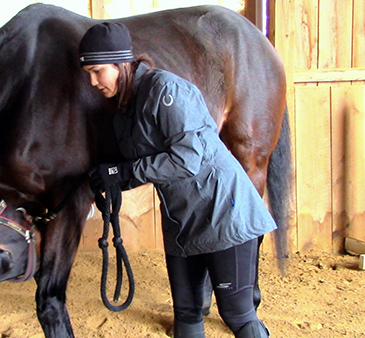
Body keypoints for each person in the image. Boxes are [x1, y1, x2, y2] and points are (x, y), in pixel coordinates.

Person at [79, 22, 276, 338]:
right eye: (88, 73)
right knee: (186, 315)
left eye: (98, 71)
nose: (92, 82)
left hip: (224, 211)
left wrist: (122, 173)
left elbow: (187, 160)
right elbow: (144, 165)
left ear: (120, 64)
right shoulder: (123, 111)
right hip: (181, 221)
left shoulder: (166, 90)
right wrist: (109, 180)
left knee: (237, 314)